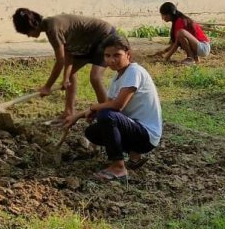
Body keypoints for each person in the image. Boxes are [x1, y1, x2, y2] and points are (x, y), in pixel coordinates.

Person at [62, 35, 162, 181]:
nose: (111, 60)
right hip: (136, 130)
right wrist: (79, 115)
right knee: (92, 132)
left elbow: (117, 106)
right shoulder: (117, 79)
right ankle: (134, 155)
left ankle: (118, 167)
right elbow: (107, 104)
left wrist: (94, 107)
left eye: (117, 55)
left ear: (128, 54)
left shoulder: (134, 71)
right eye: (107, 56)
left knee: (107, 116)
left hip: (147, 136)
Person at [13, 8, 118, 119]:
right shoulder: (51, 25)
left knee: (95, 77)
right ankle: (69, 112)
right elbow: (68, 54)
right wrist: (66, 77)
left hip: (105, 37)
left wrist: (47, 87)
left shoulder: (53, 29)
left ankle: (108, 115)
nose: (28, 36)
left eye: (27, 33)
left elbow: (60, 61)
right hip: (88, 43)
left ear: (33, 26)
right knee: (71, 74)